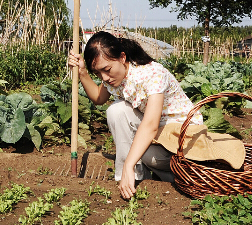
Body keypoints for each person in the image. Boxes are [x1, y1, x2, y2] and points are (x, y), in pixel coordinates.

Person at [67, 31, 202, 199]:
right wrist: (82, 73)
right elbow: (98, 97)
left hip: (182, 138)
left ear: (122, 57)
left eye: (106, 70)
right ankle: (134, 180)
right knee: (117, 111)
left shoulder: (151, 74)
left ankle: (178, 180)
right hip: (160, 133)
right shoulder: (117, 76)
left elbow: (150, 125)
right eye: (98, 73)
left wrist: (128, 164)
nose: (104, 78)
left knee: (144, 155)